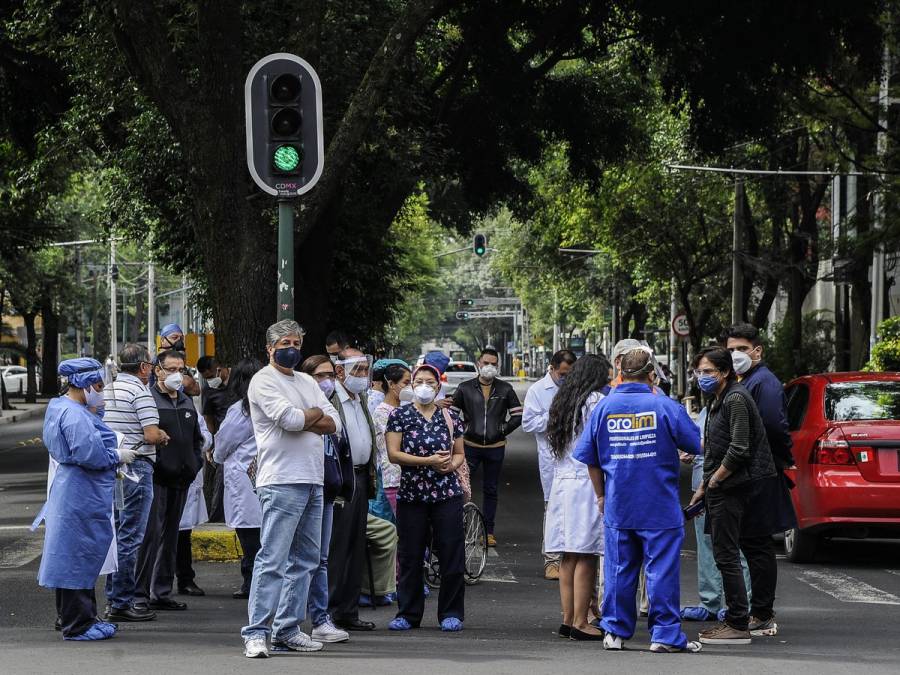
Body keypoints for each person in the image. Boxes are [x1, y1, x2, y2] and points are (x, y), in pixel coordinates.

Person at [574, 347, 702, 653]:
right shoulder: (665, 406)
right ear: (651, 374)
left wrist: (601, 496)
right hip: (659, 505)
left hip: (619, 505)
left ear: (620, 373)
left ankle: (614, 633)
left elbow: (589, 458)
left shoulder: (603, 409)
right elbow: (694, 442)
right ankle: (664, 636)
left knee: (619, 570)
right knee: (661, 572)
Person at [241, 320, 341, 659]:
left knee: (307, 560)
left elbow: (334, 422)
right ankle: (256, 632)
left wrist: (307, 417)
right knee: (273, 558)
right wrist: (311, 417)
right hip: (281, 480)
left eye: (297, 343)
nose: (293, 348)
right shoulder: (263, 381)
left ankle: (287, 629)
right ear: (269, 348)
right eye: (286, 342)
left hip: (313, 479)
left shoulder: (307, 380)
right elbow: (291, 421)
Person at [38, 358, 137, 641]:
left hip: (76, 490)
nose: (101, 391)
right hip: (80, 493)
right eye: (97, 385)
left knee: (75, 558)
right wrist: (116, 456)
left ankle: (83, 618)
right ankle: (77, 624)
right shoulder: (74, 415)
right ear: (83, 384)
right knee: (76, 559)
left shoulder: (61, 407)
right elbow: (87, 453)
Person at [688, 347, 779, 646]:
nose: (703, 377)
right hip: (721, 487)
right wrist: (703, 487)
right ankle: (738, 619)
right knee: (725, 553)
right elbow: (714, 449)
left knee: (727, 555)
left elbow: (739, 448)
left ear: (725, 372)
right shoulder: (720, 400)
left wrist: (714, 481)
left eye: (709, 372)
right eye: (700, 372)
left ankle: (737, 622)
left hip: (733, 488)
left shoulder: (736, 398)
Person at [722, 322, 797, 637]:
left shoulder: (763, 383)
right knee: (752, 543)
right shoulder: (747, 381)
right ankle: (758, 610)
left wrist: (777, 459)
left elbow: (773, 428)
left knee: (757, 543)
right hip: (751, 472)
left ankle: (762, 612)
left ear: (757, 351)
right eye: (730, 350)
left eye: (741, 349)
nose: (736, 355)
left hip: (758, 474)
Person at [386, 364, 467, 632]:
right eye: (418, 380)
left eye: (429, 382)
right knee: (410, 555)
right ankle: (408, 613)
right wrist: (427, 461)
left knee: (451, 554)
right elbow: (393, 454)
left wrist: (450, 466)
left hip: (447, 494)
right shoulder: (400, 415)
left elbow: (459, 453)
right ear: (411, 385)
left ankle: (451, 612)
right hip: (412, 494)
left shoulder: (451, 416)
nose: (423, 386)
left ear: (438, 386)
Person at [103, 343, 170, 622]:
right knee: (131, 536)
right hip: (137, 467)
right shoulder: (140, 392)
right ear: (144, 367)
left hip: (112, 466)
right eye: (152, 365)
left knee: (117, 534)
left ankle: (113, 597)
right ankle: (121, 602)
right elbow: (151, 434)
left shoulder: (108, 390)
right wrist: (164, 435)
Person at [544, 354, 609, 640]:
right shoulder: (594, 401)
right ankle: (582, 622)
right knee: (586, 555)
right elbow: (599, 446)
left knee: (568, 556)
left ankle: (568, 619)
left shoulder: (563, 399)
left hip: (563, 484)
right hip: (586, 484)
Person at [134, 350, 204, 612]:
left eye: (181, 370)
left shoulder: (186, 402)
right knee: (150, 536)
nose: (177, 375)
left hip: (182, 477)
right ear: (157, 370)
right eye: (171, 369)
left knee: (171, 536)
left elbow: (196, 438)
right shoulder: (148, 400)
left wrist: (195, 463)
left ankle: (161, 592)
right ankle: (139, 594)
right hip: (157, 478)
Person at [299, 354, 353, 644]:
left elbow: (337, 431)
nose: (327, 381)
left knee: (320, 559)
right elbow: (296, 423)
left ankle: (320, 620)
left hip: (327, 493)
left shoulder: (331, 407)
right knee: (295, 560)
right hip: (300, 490)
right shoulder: (298, 402)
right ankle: (286, 623)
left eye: (330, 375)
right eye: (320, 376)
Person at [327, 348, 378, 632]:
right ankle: (330, 612)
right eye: (356, 370)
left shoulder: (361, 399)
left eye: (364, 370)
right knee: (337, 548)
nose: (362, 376)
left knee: (356, 547)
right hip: (341, 479)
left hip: (361, 477)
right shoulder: (332, 399)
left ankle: (348, 610)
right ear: (340, 372)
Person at [452, 347, 523, 546]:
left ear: (497, 365)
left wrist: (502, 429)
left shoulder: (505, 389)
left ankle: (488, 532)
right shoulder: (465, 388)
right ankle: (459, 526)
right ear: (478, 363)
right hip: (469, 447)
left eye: (493, 363)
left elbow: (517, 415)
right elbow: (451, 415)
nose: (489, 367)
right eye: (486, 363)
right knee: (462, 487)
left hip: (496, 447)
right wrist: (463, 430)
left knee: (491, 490)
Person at [523, 349, 577, 579]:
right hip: (551, 460)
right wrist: (554, 418)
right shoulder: (538, 390)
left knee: (576, 509)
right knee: (553, 509)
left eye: (570, 374)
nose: (565, 378)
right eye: (562, 374)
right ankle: (552, 560)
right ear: (552, 369)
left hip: (576, 459)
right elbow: (528, 423)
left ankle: (573, 559)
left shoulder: (577, 389)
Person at [213, 358, 264, 600]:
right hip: (263, 477)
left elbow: (223, 444)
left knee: (250, 537)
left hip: (245, 480)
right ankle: (255, 580)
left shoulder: (240, 412)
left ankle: (252, 581)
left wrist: (215, 455)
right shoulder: (269, 406)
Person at [176, 373, 211, 597]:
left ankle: (185, 578)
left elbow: (206, 436)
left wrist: (195, 442)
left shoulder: (188, 406)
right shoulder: (151, 402)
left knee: (183, 534)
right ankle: (156, 584)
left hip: (187, 474)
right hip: (165, 476)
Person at [372, 363, 411, 515]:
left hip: (407, 475)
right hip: (393, 477)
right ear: (391, 383)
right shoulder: (382, 413)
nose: (410, 387)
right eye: (406, 383)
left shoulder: (403, 410)